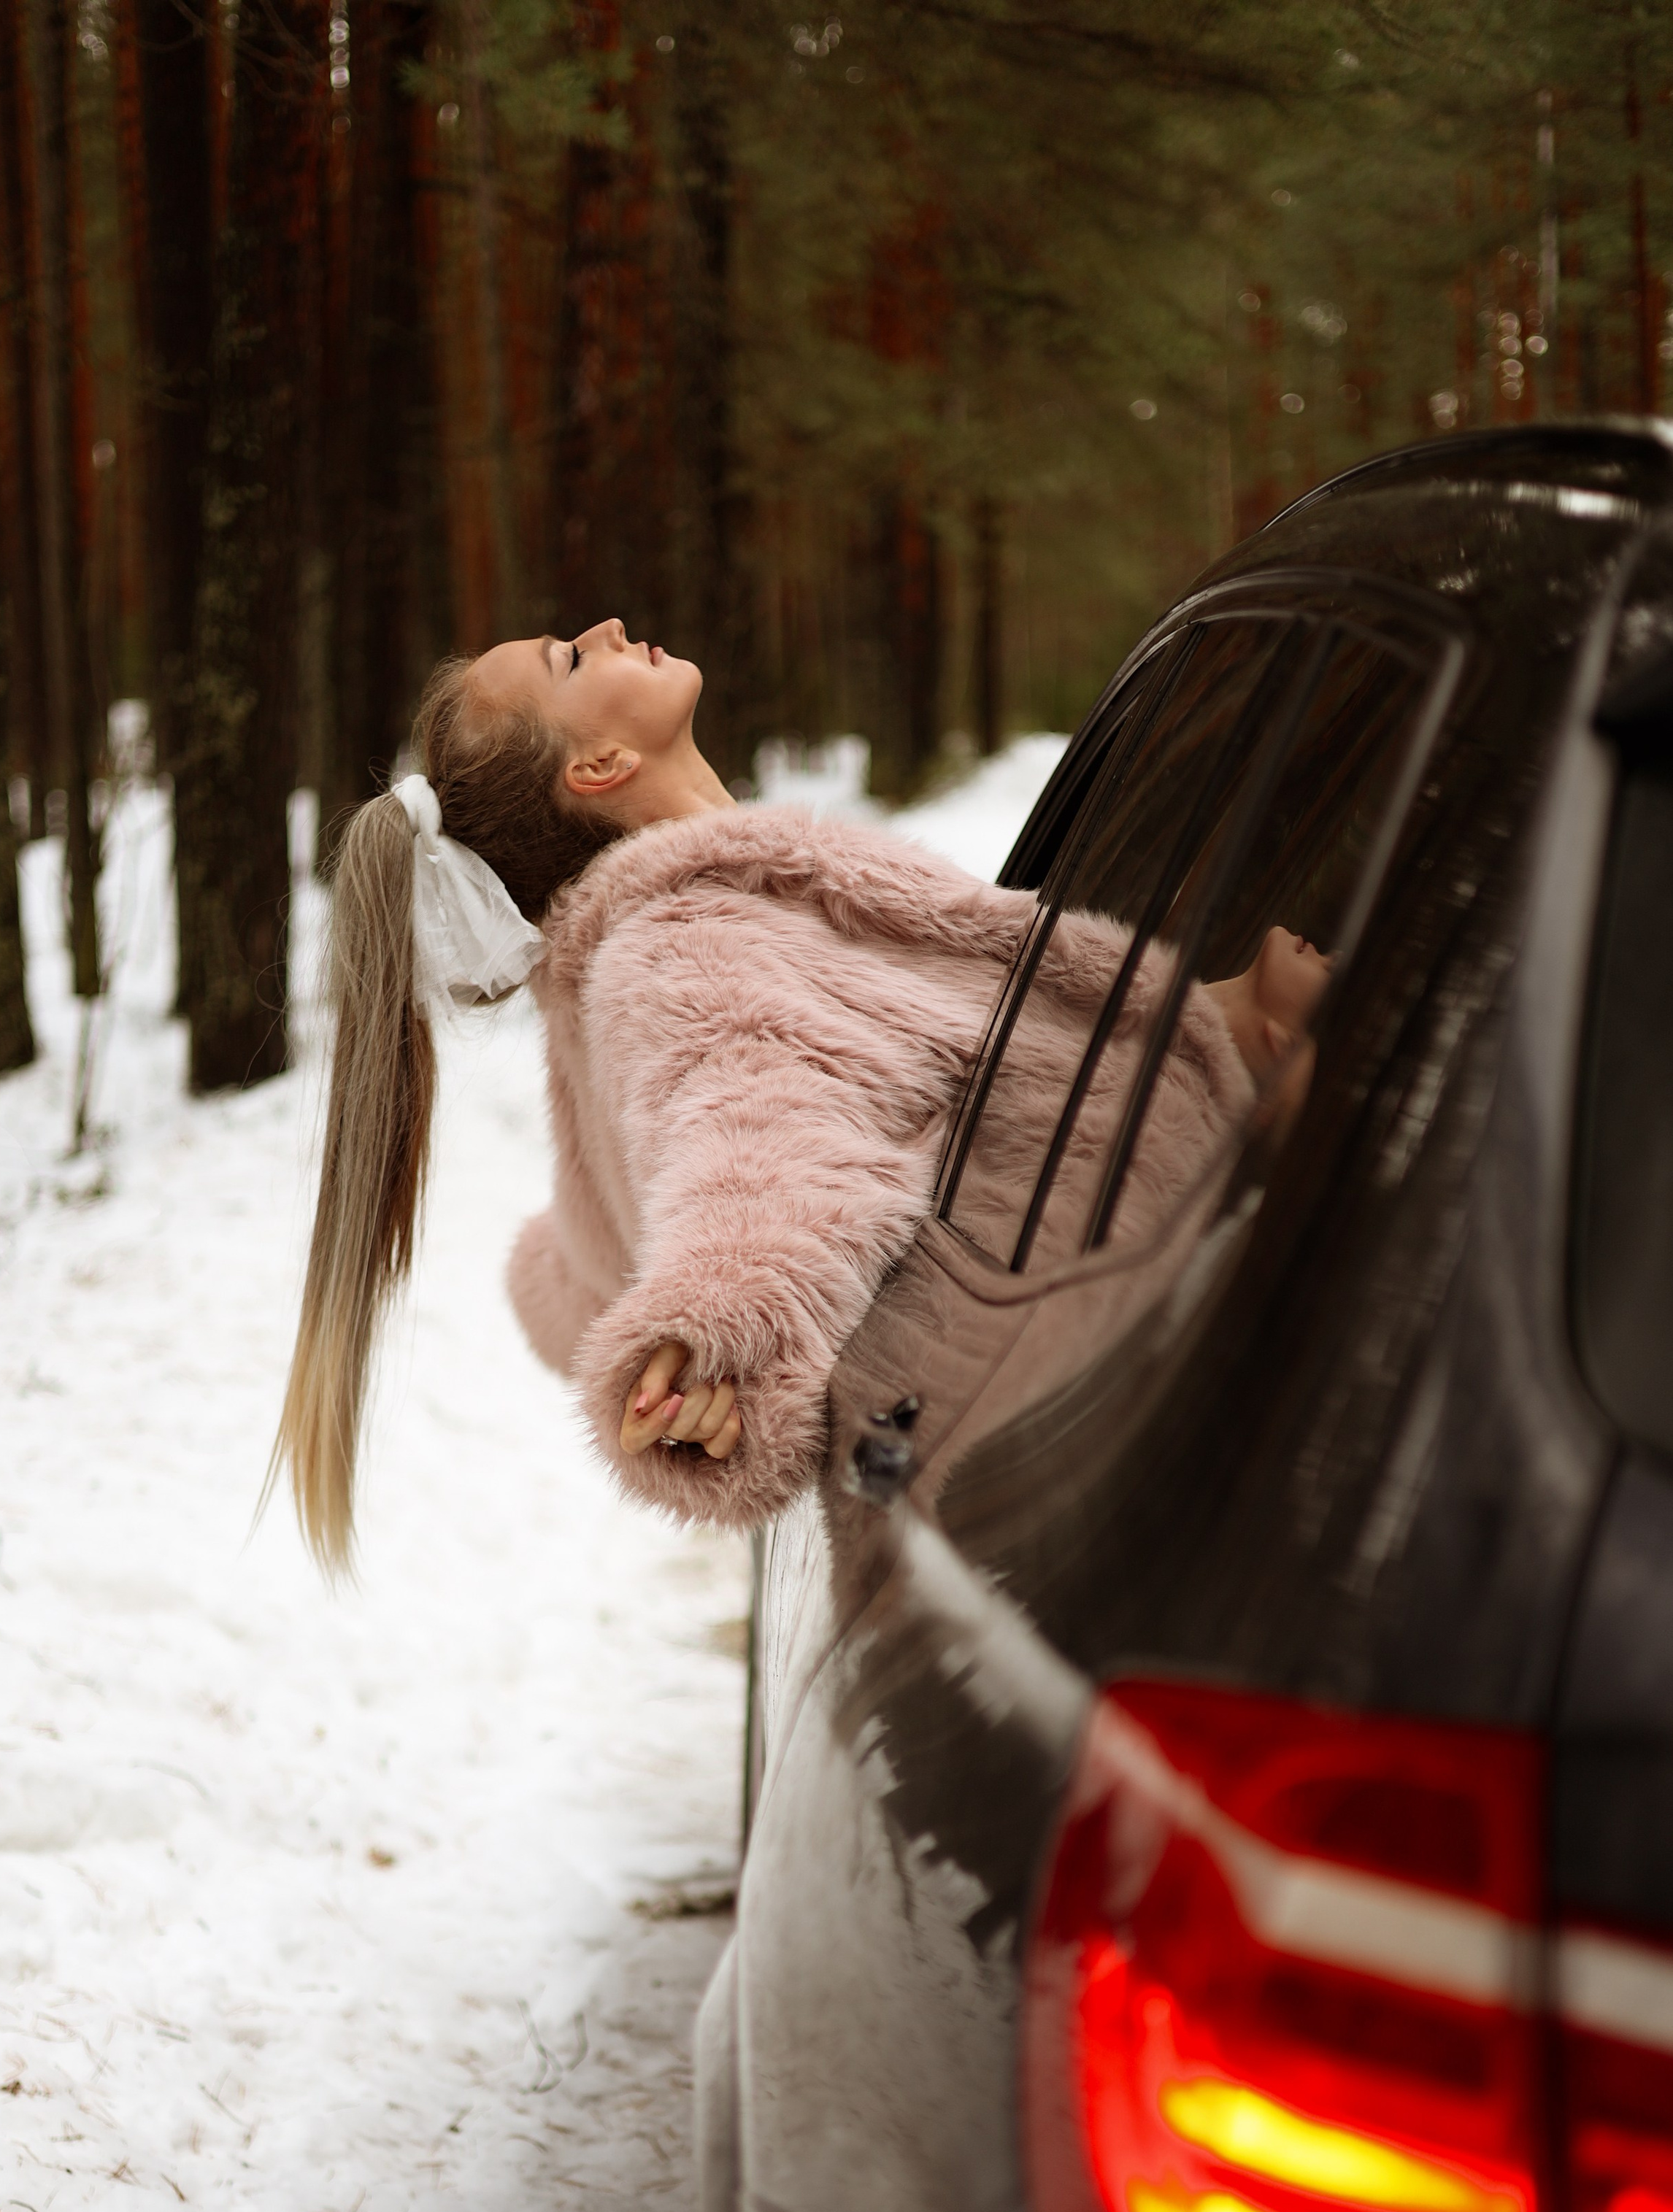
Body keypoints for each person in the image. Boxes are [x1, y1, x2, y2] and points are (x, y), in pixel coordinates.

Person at [272, 619, 1283, 1568]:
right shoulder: (695, 941)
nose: (607, 631)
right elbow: (762, 1148)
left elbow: (600, 1251)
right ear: (597, 767)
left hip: (1095, 1382)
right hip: (1142, 1370)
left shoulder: (662, 942)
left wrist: (1221, 1015)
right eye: (570, 661)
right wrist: (721, 1330)